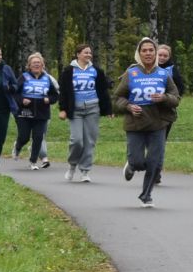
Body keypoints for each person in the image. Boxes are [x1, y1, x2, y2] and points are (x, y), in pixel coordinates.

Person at [121, 36, 179, 207]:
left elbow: (176, 98)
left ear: (155, 53)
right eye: (144, 50)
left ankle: (146, 196)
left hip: (158, 122)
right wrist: (129, 106)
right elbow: (118, 97)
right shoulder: (131, 73)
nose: (148, 53)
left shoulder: (163, 74)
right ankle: (131, 165)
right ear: (139, 53)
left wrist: (164, 98)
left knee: (154, 161)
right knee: (138, 161)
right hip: (135, 123)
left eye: (151, 50)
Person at [60, 44, 113, 183]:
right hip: (75, 110)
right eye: (85, 52)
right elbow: (64, 92)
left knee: (90, 141)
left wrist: (108, 109)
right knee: (77, 140)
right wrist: (63, 109)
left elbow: (103, 91)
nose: (89, 55)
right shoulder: (69, 71)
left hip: (92, 108)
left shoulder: (96, 70)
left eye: (90, 53)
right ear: (78, 54)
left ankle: (85, 171)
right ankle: (72, 165)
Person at [13, 53, 58, 170]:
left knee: (38, 137)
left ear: (43, 65)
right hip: (24, 112)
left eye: (39, 63)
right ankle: (17, 147)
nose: (37, 65)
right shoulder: (24, 77)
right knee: (24, 137)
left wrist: (49, 99)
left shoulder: (47, 78)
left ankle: (33, 162)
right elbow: (15, 93)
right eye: (34, 63)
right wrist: (22, 100)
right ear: (29, 65)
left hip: (42, 113)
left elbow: (55, 95)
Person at [153, 41, 185, 184]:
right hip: (148, 109)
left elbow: (180, 88)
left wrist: (170, 99)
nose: (162, 57)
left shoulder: (172, 70)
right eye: (160, 54)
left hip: (166, 110)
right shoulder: (147, 67)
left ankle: (156, 172)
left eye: (165, 55)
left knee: (160, 142)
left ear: (169, 56)